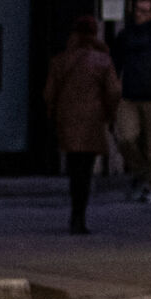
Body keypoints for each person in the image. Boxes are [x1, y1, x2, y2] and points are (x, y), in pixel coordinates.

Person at [44, 15, 120, 235]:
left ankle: (75, 215)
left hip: (67, 120)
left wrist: (54, 111)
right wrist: (109, 113)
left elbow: (49, 92)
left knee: (74, 168)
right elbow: (114, 91)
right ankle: (80, 216)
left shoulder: (61, 60)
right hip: (93, 121)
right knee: (85, 171)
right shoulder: (103, 60)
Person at [109, 0, 151, 202]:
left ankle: (148, 185)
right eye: (137, 10)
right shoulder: (126, 36)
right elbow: (115, 64)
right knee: (126, 137)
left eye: (144, 11)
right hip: (129, 95)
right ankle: (140, 173)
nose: (139, 15)